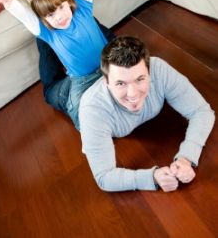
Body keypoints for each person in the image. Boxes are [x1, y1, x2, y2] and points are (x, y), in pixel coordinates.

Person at [79, 36, 215, 192]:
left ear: (150, 73)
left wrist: (187, 157)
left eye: (139, 79)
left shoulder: (159, 69)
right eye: (121, 83)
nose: (132, 94)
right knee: (57, 92)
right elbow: (104, 177)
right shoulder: (92, 109)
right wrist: (152, 177)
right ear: (106, 82)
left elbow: (202, 111)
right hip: (77, 99)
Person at [0, 0, 112, 130]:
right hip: (82, 80)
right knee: (79, 108)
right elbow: (25, 16)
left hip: (108, 65)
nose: (60, 17)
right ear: (44, 20)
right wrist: (8, 2)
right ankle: (92, 136)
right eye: (50, 15)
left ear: (69, 2)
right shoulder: (48, 33)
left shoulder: (83, 8)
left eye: (61, 8)